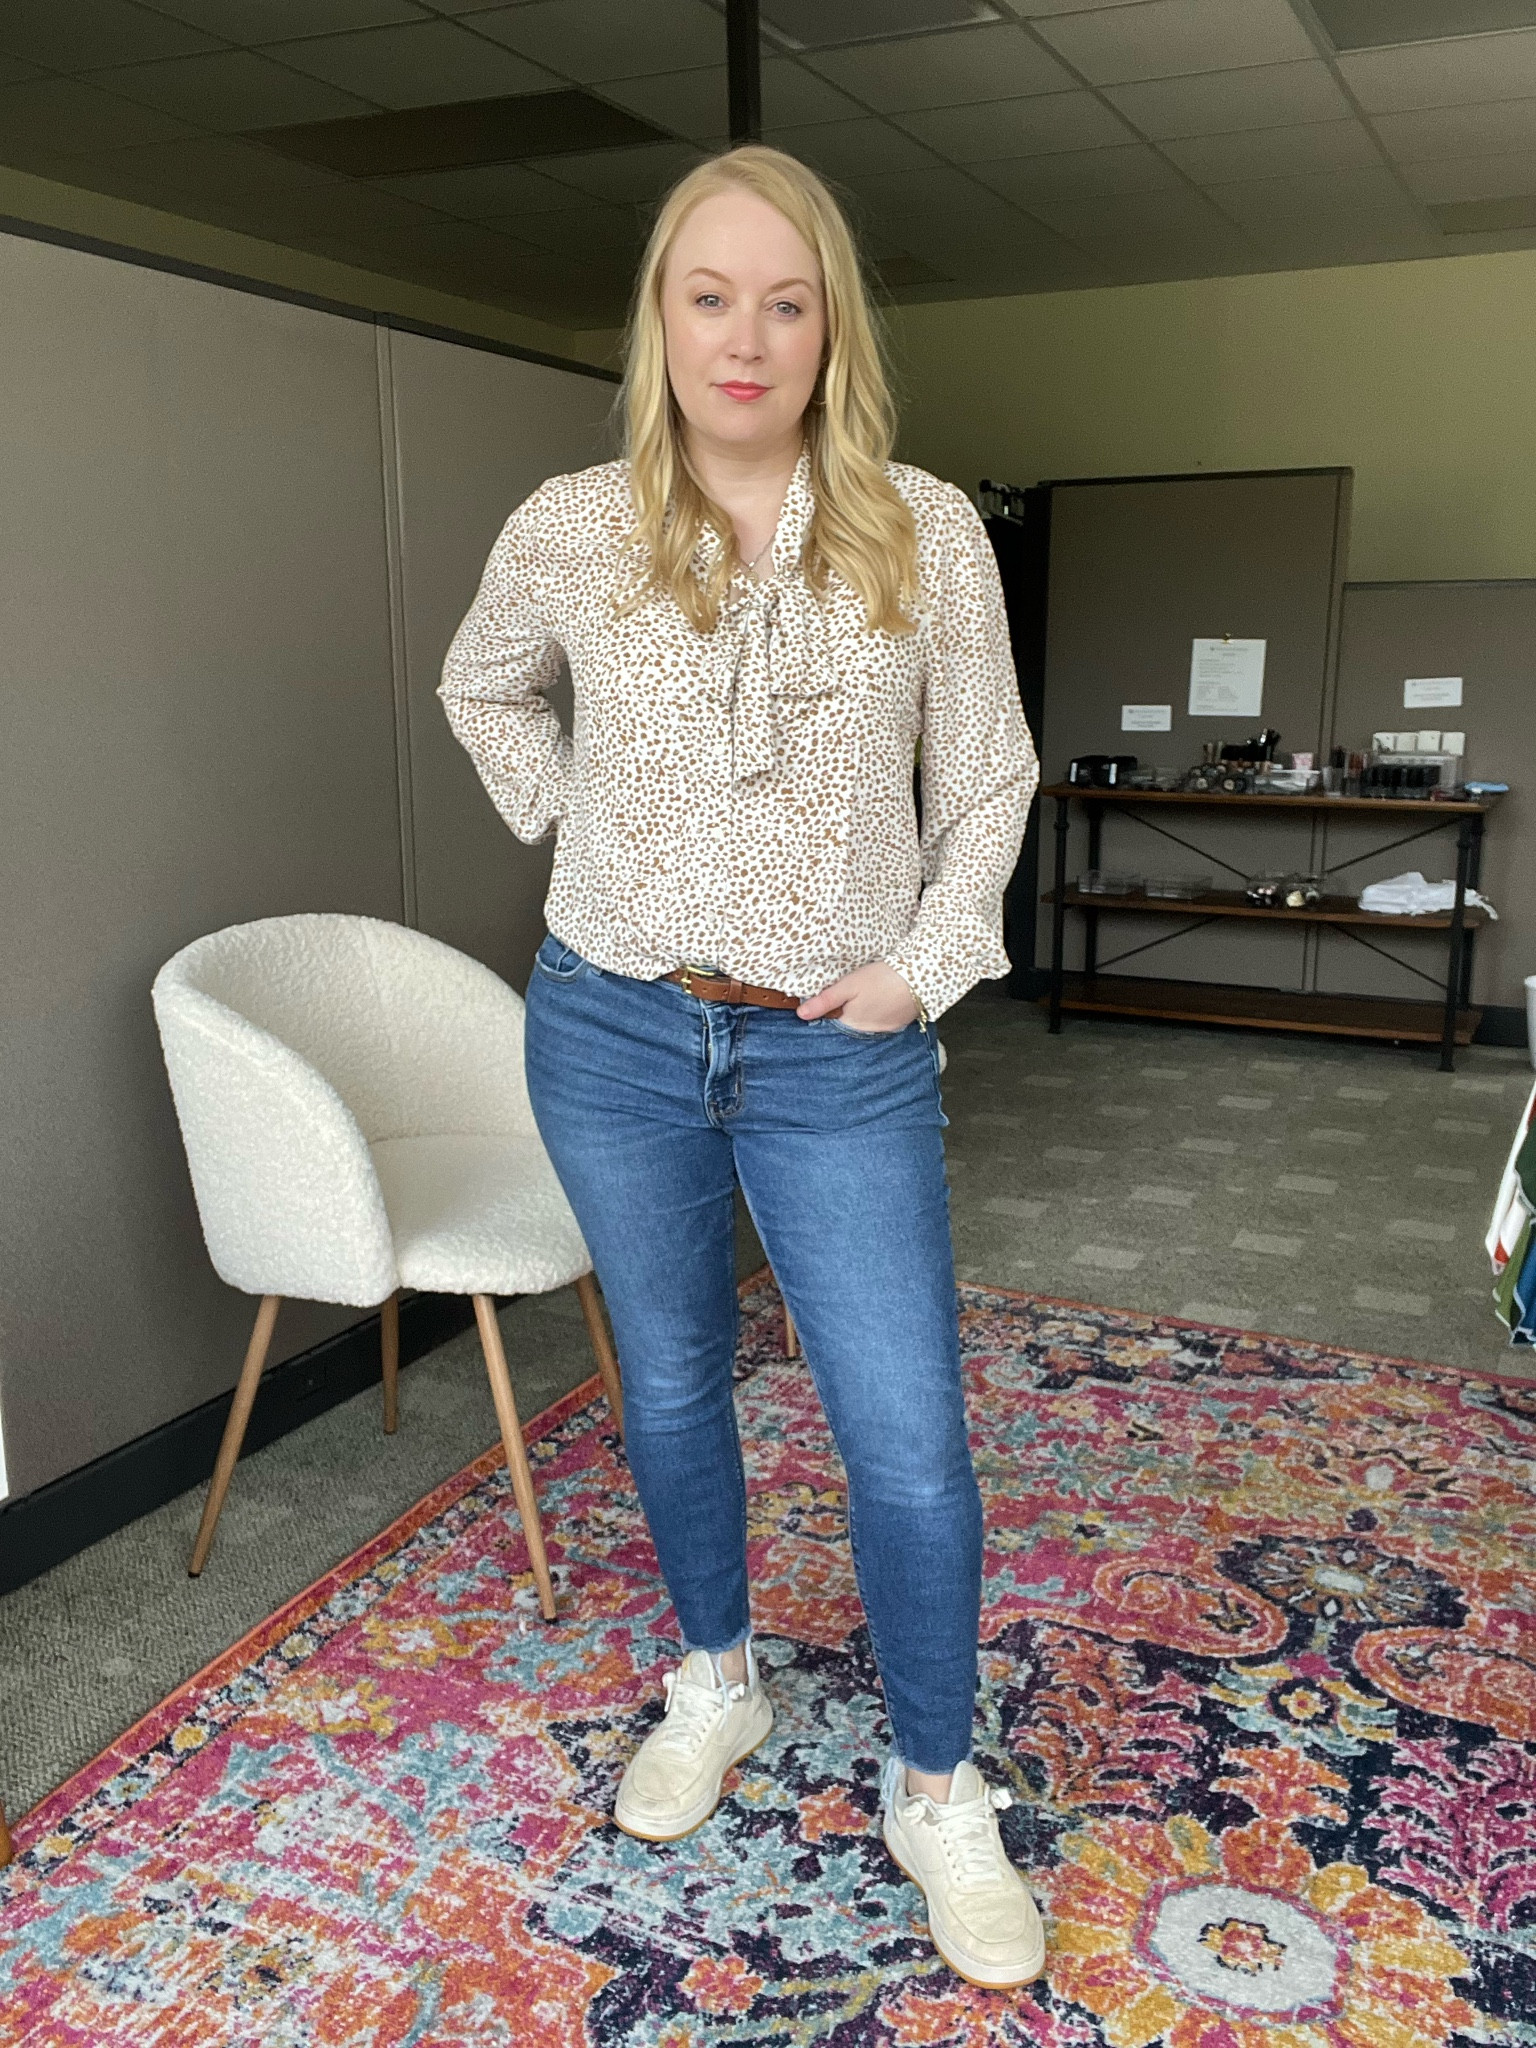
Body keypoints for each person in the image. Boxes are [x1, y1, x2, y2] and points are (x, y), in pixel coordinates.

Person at [439, 145, 1041, 1990]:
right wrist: (583, 840)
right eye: (713, 296)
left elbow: (995, 773)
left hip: (834, 1048)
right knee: (676, 1384)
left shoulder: (924, 527)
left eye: (789, 299)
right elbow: (486, 687)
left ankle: (935, 1783)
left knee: (907, 1443)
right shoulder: (569, 521)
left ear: (831, 324)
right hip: (612, 1023)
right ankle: (720, 1681)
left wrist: (924, 971)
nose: (748, 335)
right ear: (662, 318)